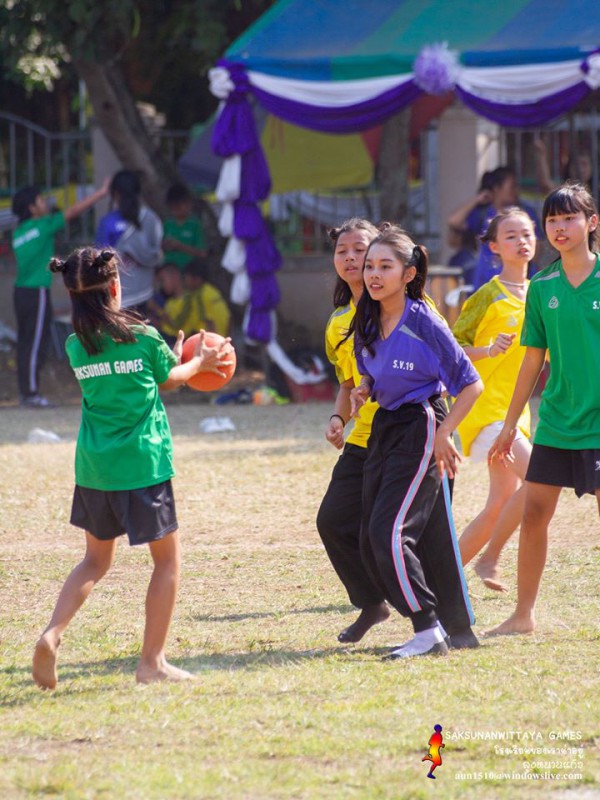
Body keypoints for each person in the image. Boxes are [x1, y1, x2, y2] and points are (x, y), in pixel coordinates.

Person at [31, 246, 233, 689]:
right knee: (167, 562)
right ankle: (151, 663)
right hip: (143, 466)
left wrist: (173, 359)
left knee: (93, 561)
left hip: (95, 469)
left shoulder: (75, 346)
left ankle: (52, 633)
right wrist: (198, 362)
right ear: (115, 288)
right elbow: (169, 379)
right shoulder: (143, 337)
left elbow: (138, 374)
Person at [349, 224, 483, 658]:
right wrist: (363, 389)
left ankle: (427, 631)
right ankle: (445, 627)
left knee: (390, 532)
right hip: (385, 425)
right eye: (370, 266)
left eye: (385, 266)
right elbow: (371, 371)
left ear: (408, 274)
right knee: (375, 537)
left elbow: (471, 384)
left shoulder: (425, 321)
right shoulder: (366, 316)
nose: (373, 274)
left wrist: (445, 433)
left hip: (422, 423)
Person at [487, 182, 600, 636]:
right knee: (533, 514)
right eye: (552, 220)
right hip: (556, 421)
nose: (559, 227)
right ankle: (523, 616)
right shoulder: (542, 287)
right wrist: (509, 425)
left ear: (591, 223)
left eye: (569, 218)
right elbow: (532, 360)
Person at [316, 217, 391, 644]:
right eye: (342, 250)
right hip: (363, 438)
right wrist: (337, 419)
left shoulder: (403, 306)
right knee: (332, 520)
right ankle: (372, 603)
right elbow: (347, 386)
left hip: (406, 432)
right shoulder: (337, 323)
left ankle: (436, 618)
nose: (350, 258)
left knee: (384, 530)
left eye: (359, 249)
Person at [453, 208, 536, 591]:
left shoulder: (541, 294)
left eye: (527, 234)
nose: (522, 242)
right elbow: (450, 348)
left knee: (501, 502)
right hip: (484, 411)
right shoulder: (486, 295)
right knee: (540, 477)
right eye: (511, 236)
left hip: (517, 415)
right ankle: (490, 560)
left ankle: (442, 579)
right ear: (494, 247)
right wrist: (487, 350)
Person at [11, 180, 109, 407]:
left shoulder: (18, 232)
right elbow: (73, 211)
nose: (44, 203)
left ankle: (27, 391)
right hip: (37, 292)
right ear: (32, 208)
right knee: (36, 342)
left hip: (20, 292)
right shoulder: (43, 225)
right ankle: (31, 394)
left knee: (26, 342)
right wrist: (101, 193)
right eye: (40, 200)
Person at [447, 166, 543, 291]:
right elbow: (454, 221)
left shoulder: (527, 213)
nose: (516, 191)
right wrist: (477, 199)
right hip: (487, 282)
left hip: (522, 282)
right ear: (496, 189)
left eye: (526, 234)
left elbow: (536, 252)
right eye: (512, 186)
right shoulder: (482, 214)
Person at [95, 170, 163, 314]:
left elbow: (100, 262)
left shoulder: (108, 223)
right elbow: (157, 254)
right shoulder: (150, 219)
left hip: (117, 297)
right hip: (145, 293)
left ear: (116, 194)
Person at [162, 183, 207, 271]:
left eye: (179, 204)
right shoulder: (167, 224)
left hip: (189, 272)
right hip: (169, 272)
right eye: (173, 205)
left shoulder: (195, 225)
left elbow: (202, 253)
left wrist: (180, 246)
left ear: (188, 204)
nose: (176, 208)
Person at [183, 259, 231, 337]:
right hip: (222, 335)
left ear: (196, 279)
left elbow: (207, 320)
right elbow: (228, 316)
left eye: (186, 278)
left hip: (211, 336)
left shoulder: (200, 296)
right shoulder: (212, 291)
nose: (185, 281)